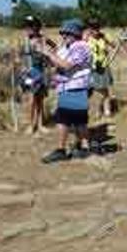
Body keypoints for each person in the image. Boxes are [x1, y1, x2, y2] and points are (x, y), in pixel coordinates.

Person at [40, 19, 93, 164]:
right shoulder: (67, 47)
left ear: (75, 33)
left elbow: (67, 65)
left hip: (75, 86)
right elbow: (57, 63)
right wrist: (48, 56)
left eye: (67, 33)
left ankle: (62, 150)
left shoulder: (81, 47)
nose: (63, 36)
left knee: (64, 119)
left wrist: (50, 54)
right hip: (66, 87)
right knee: (78, 119)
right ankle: (83, 147)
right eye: (63, 33)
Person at [16, 16, 55, 134]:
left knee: (40, 99)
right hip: (28, 73)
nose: (29, 28)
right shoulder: (23, 40)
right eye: (27, 26)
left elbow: (55, 47)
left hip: (41, 72)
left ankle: (40, 124)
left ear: (37, 27)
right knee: (31, 99)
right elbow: (17, 55)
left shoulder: (43, 39)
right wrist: (19, 63)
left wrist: (49, 58)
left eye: (31, 25)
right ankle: (30, 125)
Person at [85, 19, 115, 118]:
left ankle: (107, 111)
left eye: (97, 27)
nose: (96, 30)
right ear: (89, 29)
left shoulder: (103, 37)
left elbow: (113, 45)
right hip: (92, 67)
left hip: (103, 66)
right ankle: (98, 110)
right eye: (93, 28)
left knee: (105, 89)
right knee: (97, 90)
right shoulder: (86, 39)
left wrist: (107, 40)